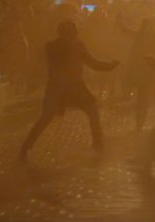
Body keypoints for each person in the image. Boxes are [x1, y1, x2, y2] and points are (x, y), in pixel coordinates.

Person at [19, 20, 118, 160]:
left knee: (92, 111)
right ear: (61, 33)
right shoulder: (53, 47)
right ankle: (26, 147)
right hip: (58, 88)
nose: (73, 35)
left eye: (74, 33)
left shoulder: (75, 45)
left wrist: (109, 66)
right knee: (46, 117)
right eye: (70, 33)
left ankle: (98, 145)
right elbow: (51, 66)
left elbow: (92, 62)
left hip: (74, 87)